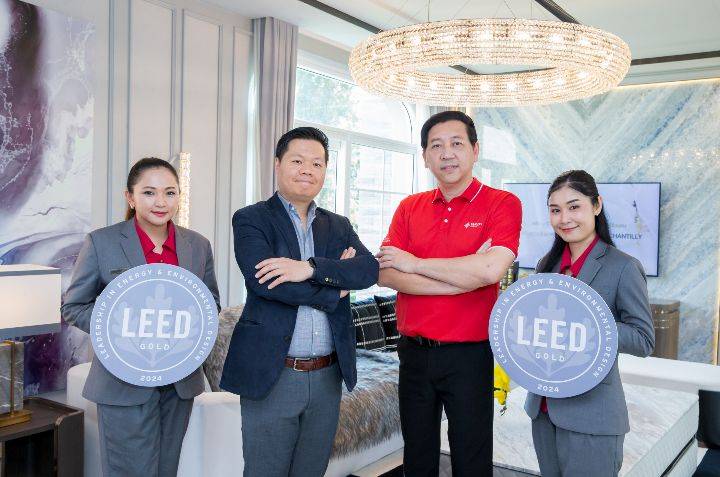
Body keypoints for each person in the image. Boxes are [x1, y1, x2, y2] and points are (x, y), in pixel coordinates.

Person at [220, 126, 379, 477]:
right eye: (297, 161)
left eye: (317, 163)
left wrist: (309, 269)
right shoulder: (251, 219)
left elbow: (368, 269)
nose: (308, 169)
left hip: (327, 376)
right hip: (274, 373)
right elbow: (268, 285)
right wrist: (335, 287)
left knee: (312, 471)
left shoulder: (338, 225)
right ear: (278, 164)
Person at [377, 110, 522, 476]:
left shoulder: (502, 203)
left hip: (469, 356)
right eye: (436, 146)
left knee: (471, 459)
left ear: (475, 150)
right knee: (417, 458)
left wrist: (414, 263)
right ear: (425, 156)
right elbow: (386, 274)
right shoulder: (409, 207)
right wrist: (464, 275)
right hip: (413, 353)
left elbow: (490, 271)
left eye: (457, 143)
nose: (447, 154)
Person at [62, 157, 221, 477]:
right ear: (130, 197)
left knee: (166, 470)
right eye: (149, 192)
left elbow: (210, 304)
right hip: (123, 384)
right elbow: (74, 307)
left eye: (170, 193)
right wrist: (123, 325)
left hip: (178, 384)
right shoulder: (102, 242)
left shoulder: (197, 245)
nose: (161, 202)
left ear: (179, 197)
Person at [524, 169, 655, 477]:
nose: (564, 218)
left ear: (596, 205)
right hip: (543, 410)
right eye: (555, 210)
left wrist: (590, 323)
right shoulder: (546, 266)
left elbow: (644, 339)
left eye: (574, 207)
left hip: (592, 417)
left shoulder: (623, 267)